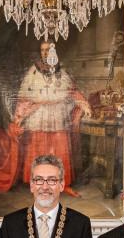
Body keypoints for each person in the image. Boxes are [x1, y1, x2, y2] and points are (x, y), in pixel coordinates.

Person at [11, 41, 92, 197]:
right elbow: (25, 95)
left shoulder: (61, 71)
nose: (45, 53)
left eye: (48, 49)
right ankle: (38, 184)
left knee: (60, 149)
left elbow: (73, 91)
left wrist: (85, 106)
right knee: (39, 149)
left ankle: (63, 185)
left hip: (57, 115)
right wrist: (20, 115)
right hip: (38, 116)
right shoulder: (34, 70)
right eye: (43, 50)